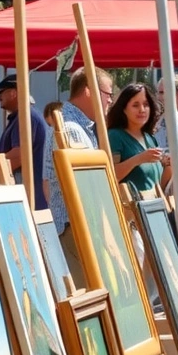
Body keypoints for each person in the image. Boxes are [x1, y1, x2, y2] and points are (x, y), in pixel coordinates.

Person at [44, 68, 113, 281]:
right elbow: (84, 188)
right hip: (75, 226)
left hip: (76, 225)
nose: (110, 101)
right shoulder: (71, 129)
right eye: (108, 94)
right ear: (89, 91)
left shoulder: (75, 126)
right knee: (89, 296)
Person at [0, 74, 50, 209]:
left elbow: (18, 156)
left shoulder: (26, 117)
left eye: (1, 92)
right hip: (30, 198)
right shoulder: (24, 117)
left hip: (30, 200)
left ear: (13, 93)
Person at [106, 83, 171, 194]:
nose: (142, 110)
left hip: (153, 208)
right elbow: (110, 177)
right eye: (135, 105)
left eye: (146, 105)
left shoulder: (150, 138)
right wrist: (139, 159)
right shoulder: (114, 136)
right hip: (130, 209)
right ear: (124, 109)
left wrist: (169, 166)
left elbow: (159, 186)